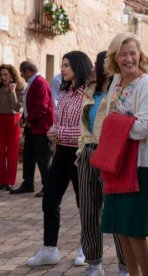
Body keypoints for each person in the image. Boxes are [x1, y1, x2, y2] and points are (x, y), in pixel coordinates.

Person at [101, 32, 148, 276]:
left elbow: (145, 127)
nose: (128, 59)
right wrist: (120, 122)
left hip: (140, 163)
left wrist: (115, 125)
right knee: (122, 227)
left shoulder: (147, 83)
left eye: (132, 53)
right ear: (114, 58)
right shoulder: (116, 80)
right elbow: (109, 118)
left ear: (140, 55)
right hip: (118, 160)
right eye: (122, 54)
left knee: (135, 229)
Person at [27, 51, 92, 267]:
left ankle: (86, 246)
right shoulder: (64, 94)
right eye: (62, 65)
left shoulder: (87, 95)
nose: (62, 69)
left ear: (78, 66)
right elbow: (57, 122)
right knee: (50, 199)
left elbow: (84, 130)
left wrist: (59, 132)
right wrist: (53, 131)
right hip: (61, 153)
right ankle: (49, 248)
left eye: (66, 65)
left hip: (79, 155)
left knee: (84, 203)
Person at [77, 51, 128, 276]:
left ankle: (125, 266)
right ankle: (94, 263)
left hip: (113, 154)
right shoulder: (91, 90)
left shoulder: (124, 91)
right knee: (88, 211)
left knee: (115, 212)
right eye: (104, 61)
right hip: (89, 153)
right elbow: (84, 124)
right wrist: (81, 151)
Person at [10, 61, 53, 197]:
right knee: (28, 156)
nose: (22, 76)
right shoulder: (34, 83)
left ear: (28, 71)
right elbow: (29, 104)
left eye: (22, 73)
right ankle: (28, 183)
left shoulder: (40, 83)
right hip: (33, 127)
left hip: (41, 128)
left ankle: (48, 186)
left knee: (43, 159)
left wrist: (29, 120)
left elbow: (41, 107)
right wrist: (24, 118)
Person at [0, 64, 25, 191]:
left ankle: (9, 181)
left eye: (6, 74)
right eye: (1, 74)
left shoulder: (20, 88)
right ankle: (1, 180)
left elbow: (17, 107)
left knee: (12, 152)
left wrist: (12, 92)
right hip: (0, 120)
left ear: (11, 75)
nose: (3, 77)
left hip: (13, 121)